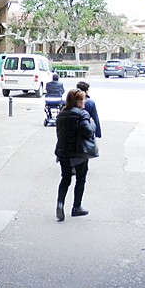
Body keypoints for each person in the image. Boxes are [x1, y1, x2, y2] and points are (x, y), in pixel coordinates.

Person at [54, 88, 97, 221]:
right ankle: (76, 207)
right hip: (78, 153)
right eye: (82, 99)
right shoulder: (82, 114)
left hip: (62, 152)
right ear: (77, 101)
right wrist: (93, 124)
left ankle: (60, 203)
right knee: (80, 178)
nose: (84, 102)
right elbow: (88, 131)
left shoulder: (61, 114)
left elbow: (59, 134)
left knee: (65, 179)